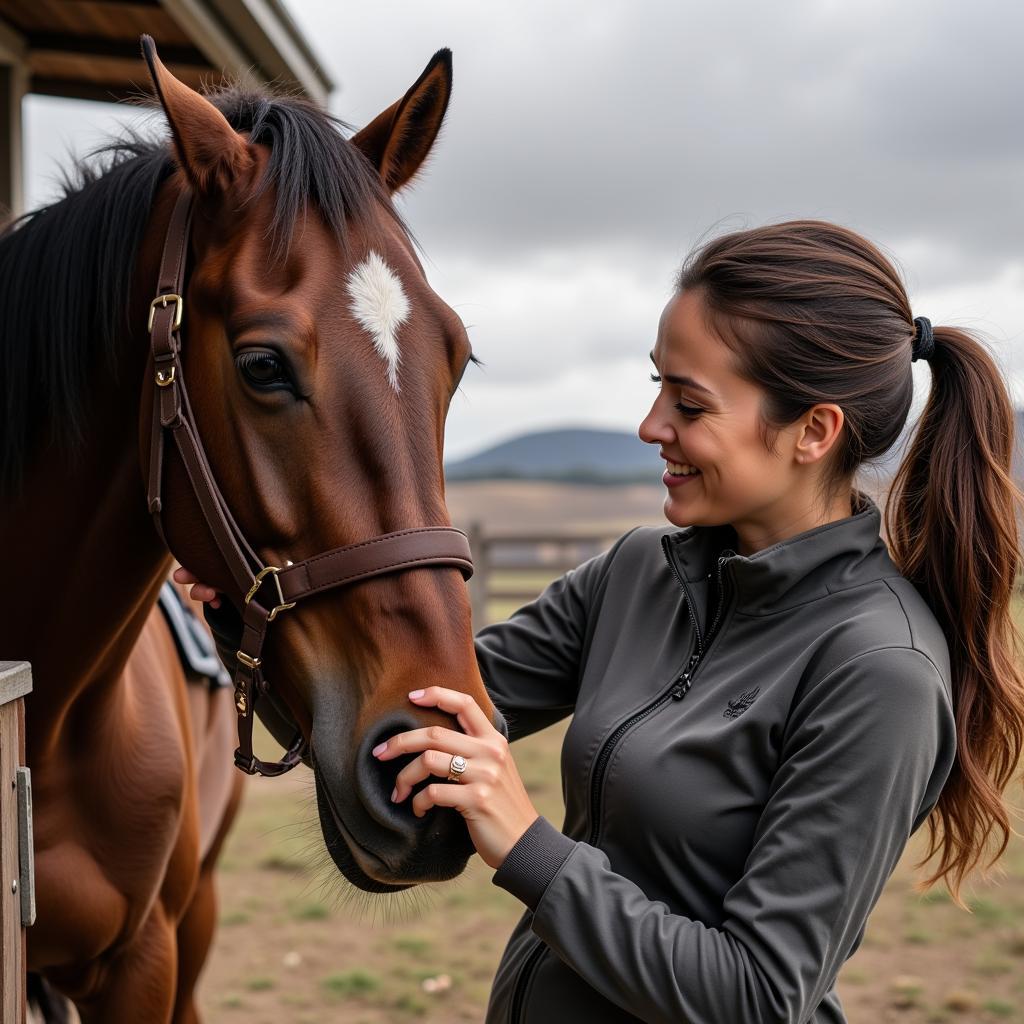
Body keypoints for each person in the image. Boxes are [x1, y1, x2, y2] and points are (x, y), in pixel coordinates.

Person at [176, 220, 1024, 1023]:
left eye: (689, 406)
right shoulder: (636, 574)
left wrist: (528, 847)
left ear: (814, 431)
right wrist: (243, 620)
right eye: (657, 386)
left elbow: (760, 997)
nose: (652, 426)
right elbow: (414, 723)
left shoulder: (882, 671)